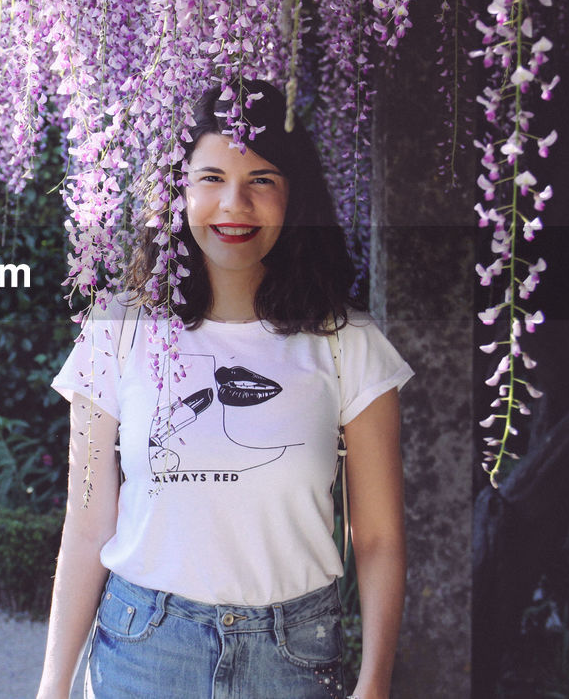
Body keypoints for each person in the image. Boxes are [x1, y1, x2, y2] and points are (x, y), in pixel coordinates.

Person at [35, 79, 412, 699]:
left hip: (295, 656)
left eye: (261, 180)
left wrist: (374, 685)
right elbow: (86, 523)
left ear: (295, 198)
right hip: (144, 650)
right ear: (178, 193)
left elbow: (377, 539)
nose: (234, 205)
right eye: (210, 178)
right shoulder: (117, 333)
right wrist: (53, 686)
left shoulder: (349, 343)